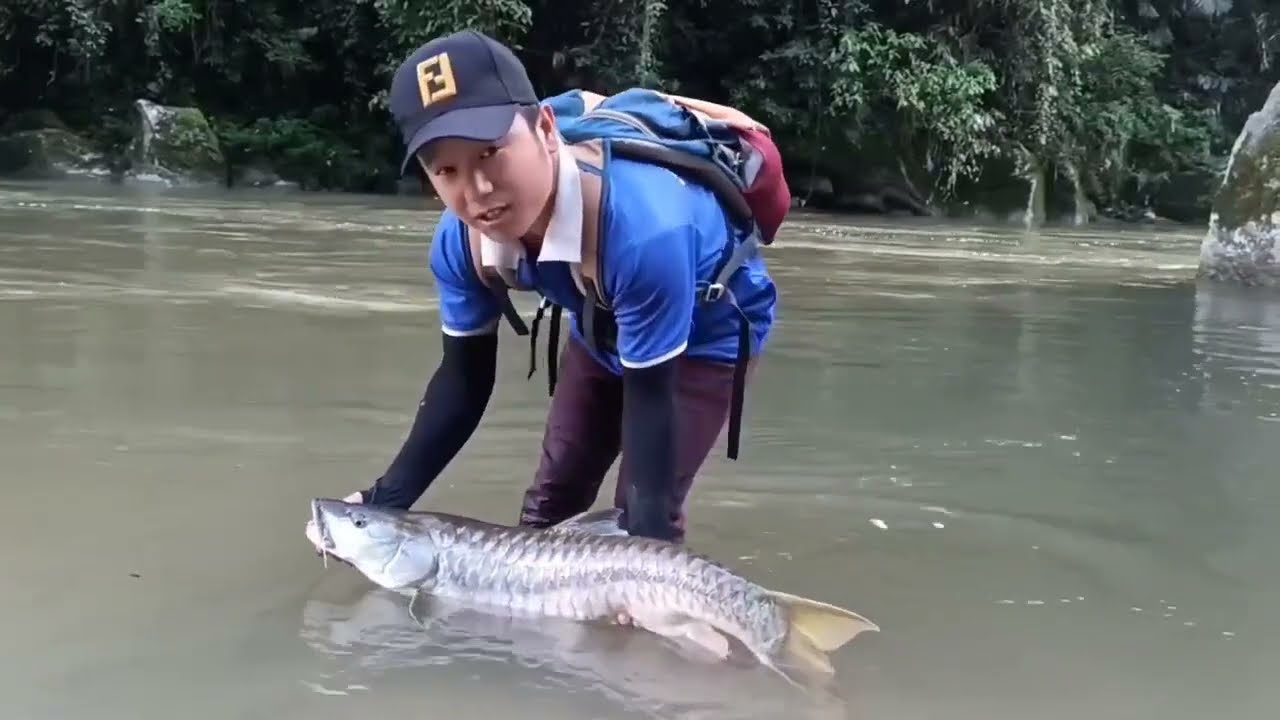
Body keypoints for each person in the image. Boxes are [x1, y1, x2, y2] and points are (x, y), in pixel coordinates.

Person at [315, 30, 786, 543]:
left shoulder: (644, 228)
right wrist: (383, 503)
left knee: (641, 520)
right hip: (600, 319)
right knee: (550, 504)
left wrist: (647, 552)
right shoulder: (460, 242)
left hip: (704, 338)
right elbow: (463, 381)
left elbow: (652, 404)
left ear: (544, 128)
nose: (477, 191)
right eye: (447, 170)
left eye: (491, 152)